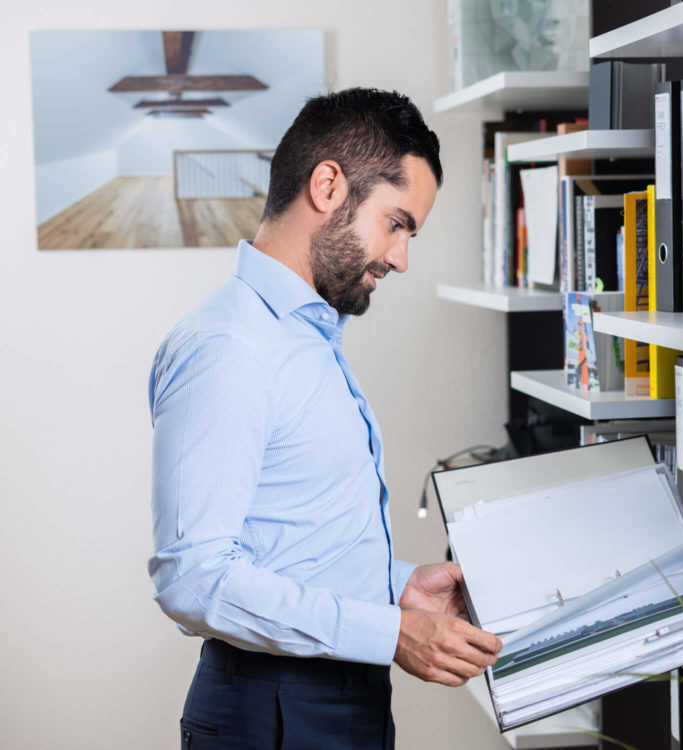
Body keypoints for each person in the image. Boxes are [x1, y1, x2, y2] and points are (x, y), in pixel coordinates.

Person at [148, 88, 502, 750]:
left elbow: (290, 537)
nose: (400, 258)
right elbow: (193, 578)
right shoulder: (228, 348)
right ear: (328, 185)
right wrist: (389, 632)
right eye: (397, 223)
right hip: (276, 710)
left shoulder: (306, 335)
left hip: (338, 698)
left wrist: (396, 589)